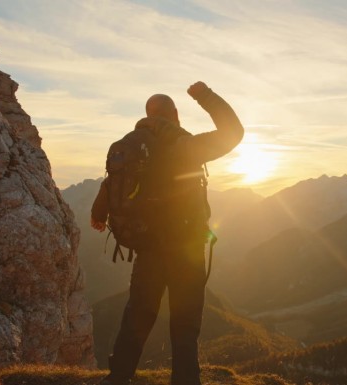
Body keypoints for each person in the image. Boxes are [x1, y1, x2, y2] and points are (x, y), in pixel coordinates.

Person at [90, 81, 244, 385]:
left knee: (138, 315)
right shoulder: (183, 146)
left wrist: (98, 214)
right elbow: (233, 133)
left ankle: (117, 377)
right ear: (174, 115)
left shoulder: (129, 146)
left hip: (146, 248)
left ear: (147, 114)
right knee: (185, 323)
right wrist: (205, 96)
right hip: (184, 249)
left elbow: (111, 184)